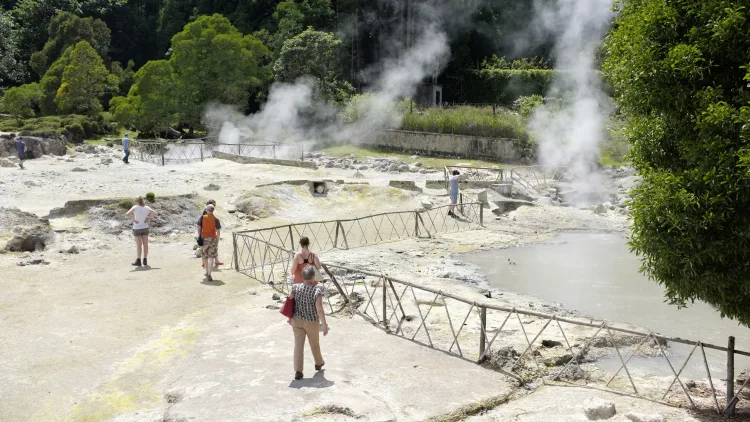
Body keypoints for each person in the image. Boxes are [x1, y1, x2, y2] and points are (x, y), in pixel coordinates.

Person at [290, 265, 328, 380]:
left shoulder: (295, 287)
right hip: (311, 321)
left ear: (302, 276)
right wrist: (325, 325)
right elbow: (319, 309)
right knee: (314, 344)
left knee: (298, 345)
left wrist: (289, 317)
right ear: (313, 277)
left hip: (297, 320)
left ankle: (298, 371)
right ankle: (318, 363)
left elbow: (290, 302)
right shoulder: (317, 291)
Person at [125, 196, 157, 267]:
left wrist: (134, 220)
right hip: (145, 227)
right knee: (145, 244)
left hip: (137, 228)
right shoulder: (147, 208)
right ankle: (145, 259)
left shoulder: (135, 207)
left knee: (139, 245)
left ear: (137, 201)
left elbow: (127, 214)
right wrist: (148, 218)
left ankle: (138, 260)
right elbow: (155, 213)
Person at [198, 204, 221, 281]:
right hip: (213, 239)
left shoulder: (202, 217)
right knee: (211, 257)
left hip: (204, 238)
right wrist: (217, 241)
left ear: (206, 210)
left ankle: (206, 271)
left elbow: (199, 227)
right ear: (213, 211)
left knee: (204, 255)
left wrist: (199, 236)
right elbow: (218, 231)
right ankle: (209, 273)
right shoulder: (216, 219)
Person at [201, 200, 224, 267]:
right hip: (209, 235)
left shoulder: (207, 212)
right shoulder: (207, 212)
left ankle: (215, 261)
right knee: (209, 249)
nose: (214, 206)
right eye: (214, 205)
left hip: (206, 234)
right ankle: (205, 263)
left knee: (206, 249)